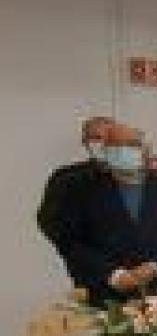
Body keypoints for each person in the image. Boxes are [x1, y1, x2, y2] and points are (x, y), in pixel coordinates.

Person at [59, 123, 157, 308]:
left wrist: (155, 267)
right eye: (116, 146)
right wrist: (113, 274)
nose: (124, 151)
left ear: (145, 149)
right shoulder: (81, 192)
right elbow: (72, 243)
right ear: (105, 151)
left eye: (132, 144)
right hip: (109, 297)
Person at [37, 116, 113, 284]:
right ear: (85, 142)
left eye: (110, 138)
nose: (103, 143)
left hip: (143, 273)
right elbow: (51, 224)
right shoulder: (65, 179)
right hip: (90, 273)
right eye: (96, 138)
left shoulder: (140, 179)